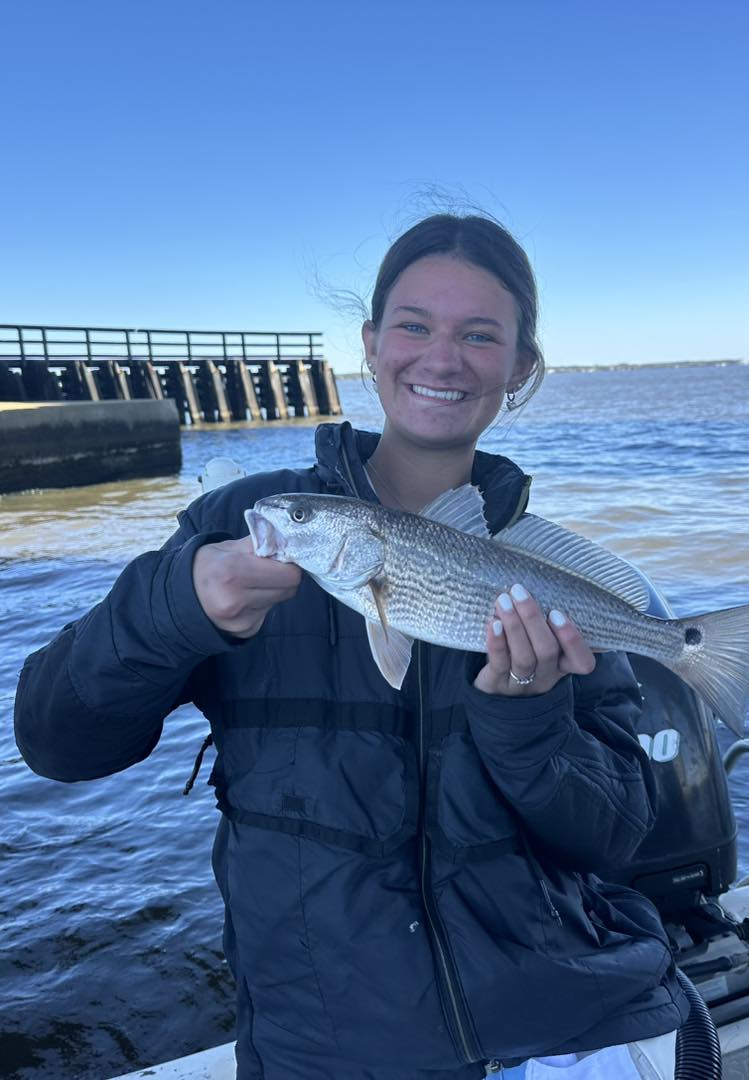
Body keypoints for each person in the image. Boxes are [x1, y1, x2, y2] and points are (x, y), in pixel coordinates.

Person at [15, 214, 689, 1079]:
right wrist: (172, 607)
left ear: (521, 367)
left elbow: (620, 834)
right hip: (324, 1051)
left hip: (555, 1024)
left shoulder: (543, 572)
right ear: (370, 344)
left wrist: (532, 725)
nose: (441, 359)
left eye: (479, 335)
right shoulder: (233, 525)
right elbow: (55, 741)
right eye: (413, 325)